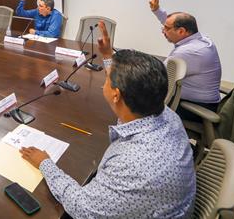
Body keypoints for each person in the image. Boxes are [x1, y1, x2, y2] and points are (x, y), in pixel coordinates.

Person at [20, 22, 195, 218]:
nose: (104, 81)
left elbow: (82, 209)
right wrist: (107, 56)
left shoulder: (131, 164)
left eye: (106, 79)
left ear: (116, 95)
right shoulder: (166, 114)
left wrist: (45, 163)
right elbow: (121, 83)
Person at [149, 0, 222, 120]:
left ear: (182, 31)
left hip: (194, 109)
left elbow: (158, 76)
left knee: (138, 95)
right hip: (207, 102)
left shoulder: (187, 52)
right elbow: (171, 24)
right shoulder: (200, 40)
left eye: (166, 29)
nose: (163, 31)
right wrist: (157, 10)